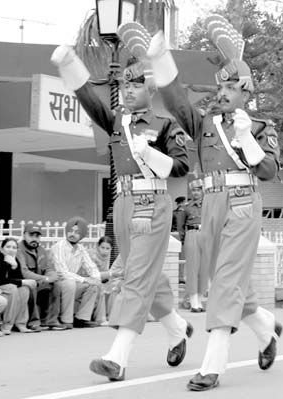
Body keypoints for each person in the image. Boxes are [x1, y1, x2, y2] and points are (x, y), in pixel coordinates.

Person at [142, 14, 282, 391]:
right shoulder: (203, 122)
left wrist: (247, 139)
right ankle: (266, 329)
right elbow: (175, 98)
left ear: (246, 93)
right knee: (230, 283)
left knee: (224, 286)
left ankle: (213, 366)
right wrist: (160, 59)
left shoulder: (259, 127)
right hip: (211, 204)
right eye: (220, 87)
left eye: (231, 88)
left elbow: (268, 171)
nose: (221, 93)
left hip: (241, 203)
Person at [51, 45, 192, 382]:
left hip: (152, 204)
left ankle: (117, 357)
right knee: (142, 276)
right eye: (125, 85)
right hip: (124, 204)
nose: (129, 90)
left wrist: (151, 155)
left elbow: (182, 167)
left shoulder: (164, 124)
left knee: (136, 279)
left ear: (151, 88)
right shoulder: (118, 121)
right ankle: (177, 329)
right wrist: (69, 64)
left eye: (136, 84)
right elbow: (90, 100)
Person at [49, 217, 107, 328]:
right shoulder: (59, 247)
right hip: (58, 282)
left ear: (82, 235)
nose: (72, 234)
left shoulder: (81, 249)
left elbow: (91, 267)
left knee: (93, 286)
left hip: (73, 282)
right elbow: (63, 272)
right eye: (70, 231)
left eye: (77, 232)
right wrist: (85, 279)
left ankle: (81, 318)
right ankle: (66, 320)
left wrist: (96, 279)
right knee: (70, 283)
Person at [17, 223, 66, 331]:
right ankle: (33, 322)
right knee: (32, 284)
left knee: (56, 285)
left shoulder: (42, 250)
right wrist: (45, 279)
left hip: (39, 283)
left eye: (37, 236)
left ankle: (51, 321)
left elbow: (49, 268)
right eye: (31, 235)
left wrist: (52, 277)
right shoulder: (19, 249)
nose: (34, 239)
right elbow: (24, 272)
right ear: (24, 235)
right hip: (22, 284)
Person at [0, 238, 37, 334]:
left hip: (9, 289)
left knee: (24, 289)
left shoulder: (14, 259)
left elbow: (19, 278)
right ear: (1, 249)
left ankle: (21, 323)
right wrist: (22, 282)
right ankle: (7, 325)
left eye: (14, 247)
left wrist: (14, 266)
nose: (11, 249)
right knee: (12, 288)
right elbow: (1, 280)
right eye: (8, 247)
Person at [181, 179, 208, 312]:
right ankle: (193, 302)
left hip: (206, 235)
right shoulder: (186, 207)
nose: (196, 193)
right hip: (192, 233)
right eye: (193, 190)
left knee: (204, 269)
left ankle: (200, 300)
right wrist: (183, 240)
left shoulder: (208, 205)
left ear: (203, 190)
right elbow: (181, 227)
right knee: (192, 269)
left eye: (198, 190)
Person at [87, 236, 124, 320]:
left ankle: (112, 315)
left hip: (101, 279)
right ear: (97, 246)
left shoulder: (107, 257)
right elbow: (93, 274)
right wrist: (111, 274)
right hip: (88, 278)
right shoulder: (91, 256)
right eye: (102, 247)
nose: (105, 251)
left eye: (108, 248)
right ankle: (101, 318)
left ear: (111, 249)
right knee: (101, 287)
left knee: (113, 286)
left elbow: (106, 273)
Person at [172, 196, 187, 284]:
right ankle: (177, 277)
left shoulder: (185, 213)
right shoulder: (174, 213)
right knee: (176, 257)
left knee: (182, 258)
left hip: (183, 236)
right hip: (176, 236)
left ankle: (180, 277)